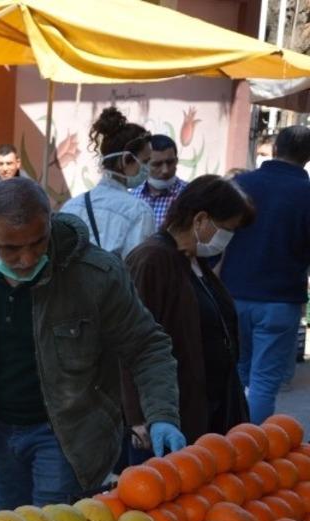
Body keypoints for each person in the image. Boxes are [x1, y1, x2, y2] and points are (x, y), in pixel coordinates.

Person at [0, 178, 183, 511]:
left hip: (69, 436)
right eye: (10, 248)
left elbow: (147, 346)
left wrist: (161, 414)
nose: (27, 258)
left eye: (38, 242)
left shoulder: (95, 275)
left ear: (50, 223)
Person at [122, 176, 253, 460]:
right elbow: (129, 341)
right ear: (201, 220)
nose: (228, 240)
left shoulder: (196, 262)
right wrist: (138, 415)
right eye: (227, 230)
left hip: (209, 407)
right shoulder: (152, 260)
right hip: (167, 416)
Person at [220, 125, 310, 423]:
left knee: (237, 372)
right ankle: (246, 451)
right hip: (280, 301)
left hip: (232, 293)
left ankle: (224, 442)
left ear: (274, 149)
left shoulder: (239, 184)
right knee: (263, 382)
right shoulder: (305, 193)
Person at [60, 107, 155, 260]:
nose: (147, 169)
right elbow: (136, 271)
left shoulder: (70, 207)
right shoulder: (139, 212)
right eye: (145, 161)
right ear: (125, 159)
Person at [131, 134, 187, 230]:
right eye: (157, 164)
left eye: (170, 162)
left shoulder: (188, 194)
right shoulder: (133, 197)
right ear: (144, 164)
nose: (165, 170)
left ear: (176, 161)